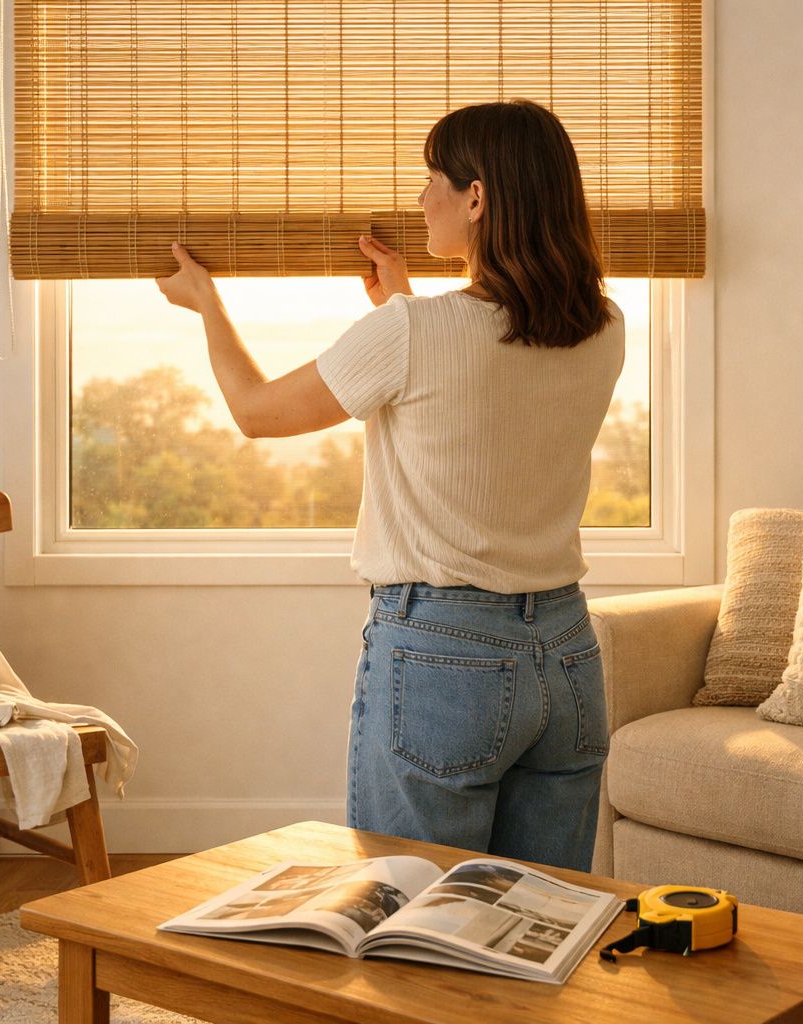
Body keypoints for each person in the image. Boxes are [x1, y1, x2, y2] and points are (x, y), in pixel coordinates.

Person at [155, 99, 625, 872]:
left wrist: (207, 303)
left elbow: (255, 412)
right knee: (537, 916)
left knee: (410, 914)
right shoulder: (603, 324)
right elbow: (488, 385)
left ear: (477, 198)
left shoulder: (412, 333)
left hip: (444, 655)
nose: (420, 198)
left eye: (432, 178)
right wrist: (403, 300)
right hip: (568, 656)